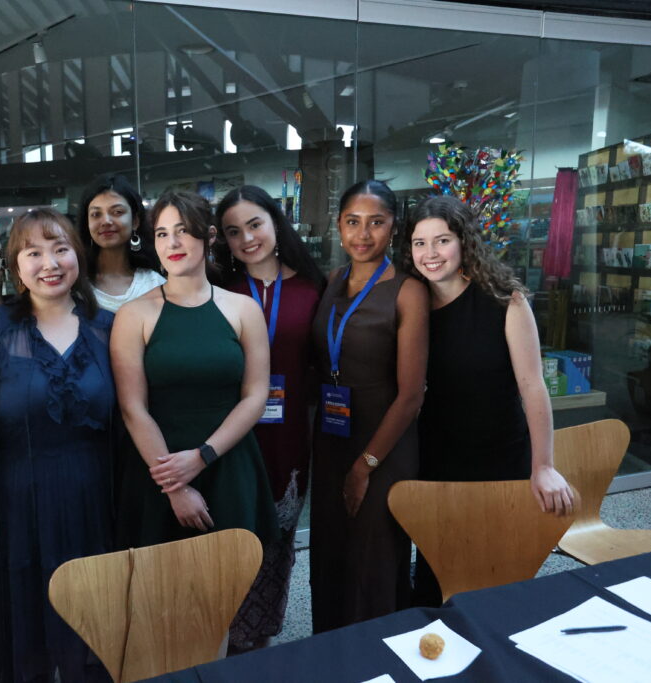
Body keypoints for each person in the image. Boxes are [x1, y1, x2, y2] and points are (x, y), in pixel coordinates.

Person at [0, 208, 116, 683]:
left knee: (95, 623)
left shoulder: (108, 328)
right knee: (25, 631)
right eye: (34, 253)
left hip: (95, 498)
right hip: (19, 501)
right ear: (16, 267)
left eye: (61, 249)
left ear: (78, 256)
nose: (50, 263)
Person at [403, 194, 576, 607]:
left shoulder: (504, 300)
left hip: (500, 457)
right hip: (436, 461)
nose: (430, 254)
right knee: (435, 580)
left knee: (498, 580)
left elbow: (533, 386)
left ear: (464, 242)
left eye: (442, 240)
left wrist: (544, 466)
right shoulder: (410, 302)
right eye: (420, 243)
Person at [112, 190, 278, 550]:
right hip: (160, 468)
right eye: (162, 233)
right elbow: (133, 408)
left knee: (234, 576)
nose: (172, 243)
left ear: (210, 235)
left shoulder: (243, 309)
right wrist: (175, 485)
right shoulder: (134, 315)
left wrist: (204, 456)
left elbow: (255, 396)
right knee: (161, 581)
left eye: (183, 230)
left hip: (228, 463)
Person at [310, 180, 429, 632]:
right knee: (331, 553)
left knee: (373, 560)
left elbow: (411, 395)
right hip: (333, 437)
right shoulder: (333, 281)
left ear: (394, 227)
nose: (363, 234)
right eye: (353, 222)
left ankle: (377, 655)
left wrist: (365, 465)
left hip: (384, 445)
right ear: (339, 227)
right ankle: (331, 653)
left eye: (376, 222)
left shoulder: (407, 290)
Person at [213, 185, 324, 653]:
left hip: (288, 434)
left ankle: (259, 641)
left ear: (276, 222)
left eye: (254, 224)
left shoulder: (313, 288)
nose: (247, 238)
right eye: (233, 231)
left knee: (277, 544)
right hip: (231, 436)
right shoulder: (218, 290)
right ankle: (224, 640)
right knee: (233, 544)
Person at [0, 174, 163, 318]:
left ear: (135, 221)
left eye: (117, 212)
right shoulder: (69, 280)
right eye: (96, 214)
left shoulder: (155, 284)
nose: (106, 221)